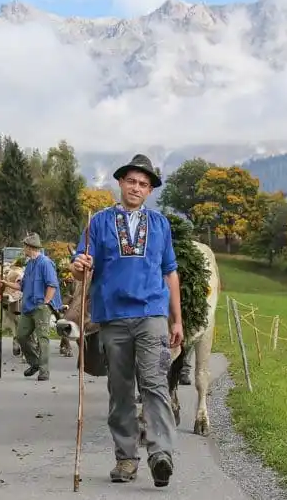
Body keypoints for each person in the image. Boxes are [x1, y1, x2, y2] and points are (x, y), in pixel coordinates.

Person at [71, 153, 183, 488]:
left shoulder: (161, 224)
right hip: (113, 318)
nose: (136, 188)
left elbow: (170, 272)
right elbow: (81, 265)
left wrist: (177, 319)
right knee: (120, 391)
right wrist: (80, 266)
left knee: (154, 384)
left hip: (151, 315)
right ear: (120, 183)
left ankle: (161, 454)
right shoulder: (99, 222)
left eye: (143, 184)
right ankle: (126, 459)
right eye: (131, 181)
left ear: (150, 191)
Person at [0, 233, 62, 382]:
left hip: (41, 307)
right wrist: (4, 283)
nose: (23, 249)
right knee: (21, 336)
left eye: (25, 246)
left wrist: (46, 302)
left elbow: (52, 285)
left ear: (30, 247)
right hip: (28, 307)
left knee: (43, 339)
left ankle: (44, 371)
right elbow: (21, 286)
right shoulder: (29, 265)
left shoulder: (45, 263)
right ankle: (34, 363)